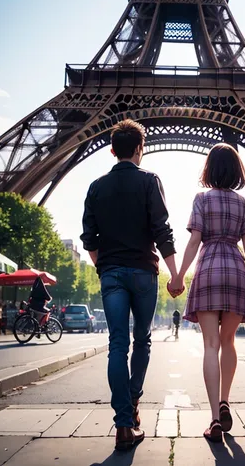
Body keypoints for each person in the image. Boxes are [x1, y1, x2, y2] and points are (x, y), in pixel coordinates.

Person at [81, 119, 178, 451]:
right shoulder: (150, 181)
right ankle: (134, 402)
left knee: (117, 345)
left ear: (111, 150)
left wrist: (103, 267)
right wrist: (175, 273)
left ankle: (123, 424)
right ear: (140, 148)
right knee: (143, 341)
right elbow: (162, 230)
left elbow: (88, 239)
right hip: (143, 273)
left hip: (112, 274)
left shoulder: (95, 186)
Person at [168, 143, 245, 443]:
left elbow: (194, 241)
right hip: (236, 271)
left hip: (209, 269)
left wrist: (179, 275)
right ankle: (225, 401)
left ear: (209, 169)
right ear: (237, 171)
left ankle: (214, 419)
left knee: (210, 345)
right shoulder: (243, 203)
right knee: (228, 342)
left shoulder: (201, 199)